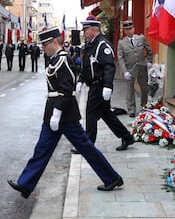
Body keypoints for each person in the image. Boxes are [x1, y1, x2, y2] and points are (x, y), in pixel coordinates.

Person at [8, 27, 123, 199]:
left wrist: (57, 113)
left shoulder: (64, 60)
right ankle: (25, 184)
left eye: (45, 45)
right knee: (42, 149)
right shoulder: (54, 59)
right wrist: (53, 114)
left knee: (86, 148)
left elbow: (66, 90)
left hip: (65, 115)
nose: (43, 49)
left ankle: (112, 178)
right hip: (53, 113)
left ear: (54, 42)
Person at [75, 15, 135, 152]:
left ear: (93, 29)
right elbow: (86, 66)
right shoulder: (90, 45)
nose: (84, 33)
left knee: (90, 114)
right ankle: (127, 137)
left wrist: (107, 86)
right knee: (106, 114)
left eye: (85, 29)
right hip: (94, 85)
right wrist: (80, 80)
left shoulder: (102, 45)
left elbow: (109, 67)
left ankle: (88, 146)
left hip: (100, 86)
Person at [117, 20, 153, 117]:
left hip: (142, 67)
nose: (129, 31)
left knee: (144, 89)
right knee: (130, 90)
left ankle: (144, 106)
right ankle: (131, 110)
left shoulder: (141, 38)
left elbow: (149, 50)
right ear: (124, 31)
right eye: (127, 29)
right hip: (130, 69)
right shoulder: (121, 43)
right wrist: (125, 72)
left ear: (134, 29)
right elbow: (121, 58)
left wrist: (149, 62)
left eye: (130, 29)